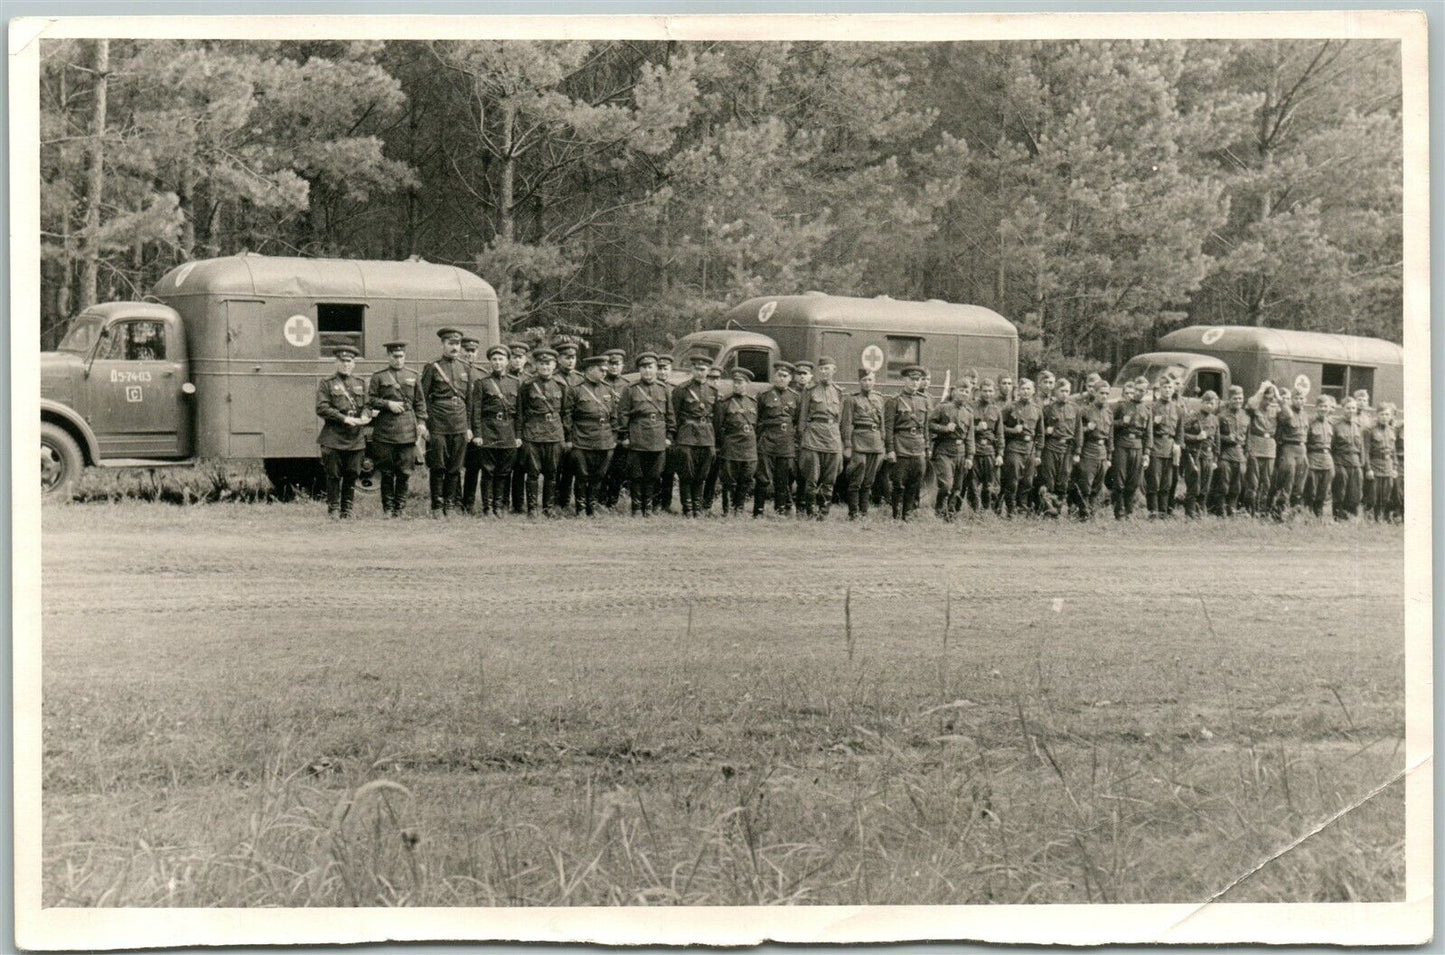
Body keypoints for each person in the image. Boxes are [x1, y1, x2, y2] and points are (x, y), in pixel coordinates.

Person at [366, 341, 427, 518]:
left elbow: (420, 402)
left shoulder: (413, 376)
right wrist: (388, 404)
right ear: (388, 357)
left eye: (401, 356)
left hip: (407, 429)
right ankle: (388, 509)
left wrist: (421, 422)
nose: (398, 359)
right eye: (394, 356)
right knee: (386, 472)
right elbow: (371, 400)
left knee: (404, 473)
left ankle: (400, 509)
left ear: (404, 356)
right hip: (385, 430)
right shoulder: (379, 377)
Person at [420, 327, 476, 516]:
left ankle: (450, 505)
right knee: (438, 466)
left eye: (457, 344)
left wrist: (468, 427)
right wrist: (425, 424)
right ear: (443, 344)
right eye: (450, 343)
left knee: (455, 467)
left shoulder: (465, 368)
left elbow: (469, 401)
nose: (454, 347)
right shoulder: (432, 367)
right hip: (438, 423)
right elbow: (423, 398)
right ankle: (437, 505)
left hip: (459, 424)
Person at [315, 345, 371, 519]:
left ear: (354, 364)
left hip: (355, 438)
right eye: (342, 361)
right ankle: (333, 509)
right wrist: (343, 418)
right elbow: (321, 407)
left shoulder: (361, 383)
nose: (346, 364)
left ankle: (347, 510)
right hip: (333, 436)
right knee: (333, 475)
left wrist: (365, 415)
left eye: (349, 361)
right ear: (336, 363)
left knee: (352, 474)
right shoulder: (327, 383)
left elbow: (368, 405)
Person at [617, 352, 674, 516]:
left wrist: (669, 436)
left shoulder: (664, 389)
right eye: (644, 367)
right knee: (637, 474)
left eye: (650, 367)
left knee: (654, 474)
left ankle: (648, 508)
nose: (647, 371)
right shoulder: (630, 389)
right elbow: (623, 414)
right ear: (639, 370)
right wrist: (625, 436)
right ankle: (636, 508)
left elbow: (670, 415)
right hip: (638, 435)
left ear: (656, 368)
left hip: (657, 436)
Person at [516, 347, 569, 517]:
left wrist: (565, 437)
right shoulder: (527, 385)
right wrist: (522, 434)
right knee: (532, 473)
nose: (545, 367)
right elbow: (521, 411)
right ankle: (532, 509)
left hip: (554, 434)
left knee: (552, 473)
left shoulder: (561, 385)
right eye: (541, 363)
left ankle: (548, 508)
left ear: (554, 365)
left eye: (548, 363)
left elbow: (565, 412)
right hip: (533, 433)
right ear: (536, 365)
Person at [469, 344, 521, 518]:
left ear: (507, 361)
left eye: (501, 359)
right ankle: (488, 507)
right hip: (489, 430)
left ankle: (499, 506)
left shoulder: (516, 383)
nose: (497, 363)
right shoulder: (482, 383)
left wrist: (518, 436)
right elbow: (476, 411)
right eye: (494, 359)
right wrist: (477, 434)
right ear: (490, 362)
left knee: (504, 472)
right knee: (488, 471)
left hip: (508, 432)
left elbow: (519, 413)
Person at [564, 355, 620, 517]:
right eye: (600, 370)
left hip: (605, 440)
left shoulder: (608, 389)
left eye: (605, 369)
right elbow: (567, 417)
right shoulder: (576, 390)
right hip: (583, 439)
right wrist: (570, 439)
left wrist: (614, 438)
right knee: (582, 475)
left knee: (598, 476)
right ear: (589, 370)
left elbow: (614, 416)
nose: (605, 372)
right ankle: (581, 508)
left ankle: (592, 507)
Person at [669, 356, 719, 517]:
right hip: (687, 435)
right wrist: (675, 438)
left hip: (706, 435)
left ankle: (698, 508)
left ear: (708, 371)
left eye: (703, 369)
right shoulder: (681, 390)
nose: (700, 372)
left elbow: (716, 418)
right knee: (686, 473)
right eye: (697, 369)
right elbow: (674, 415)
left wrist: (716, 440)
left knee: (701, 474)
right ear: (692, 369)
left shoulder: (713, 391)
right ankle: (688, 508)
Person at [796, 356, 844, 519]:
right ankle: (810, 511)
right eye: (821, 369)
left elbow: (840, 419)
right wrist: (802, 439)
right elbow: (802, 417)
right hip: (813, 437)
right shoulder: (809, 391)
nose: (824, 372)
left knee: (830, 478)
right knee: (812, 478)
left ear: (834, 370)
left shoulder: (838, 391)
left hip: (832, 437)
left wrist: (841, 441)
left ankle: (823, 513)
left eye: (827, 369)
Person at [884, 365, 930, 521]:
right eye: (912, 379)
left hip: (918, 446)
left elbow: (926, 428)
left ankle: (907, 515)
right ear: (904, 380)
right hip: (901, 445)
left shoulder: (924, 401)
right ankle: (896, 515)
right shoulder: (894, 401)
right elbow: (888, 428)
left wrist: (927, 447)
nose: (915, 382)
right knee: (898, 482)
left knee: (914, 482)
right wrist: (890, 449)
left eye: (918, 380)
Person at [753, 361, 800, 517]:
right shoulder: (764, 395)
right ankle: (758, 511)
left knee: (782, 479)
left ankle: (780, 511)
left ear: (790, 378)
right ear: (774, 376)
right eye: (779, 375)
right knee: (762, 477)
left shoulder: (795, 397)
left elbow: (797, 421)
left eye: (785, 376)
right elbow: (757, 419)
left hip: (785, 442)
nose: (781, 378)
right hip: (767, 440)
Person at [840, 367, 886, 520]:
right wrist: (847, 444)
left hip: (875, 442)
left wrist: (883, 440)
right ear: (859, 382)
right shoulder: (851, 399)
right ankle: (853, 513)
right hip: (859, 441)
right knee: (856, 478)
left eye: (870, 380)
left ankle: (864, 513)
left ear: (875, 381)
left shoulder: (879, 398)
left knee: (869, 480)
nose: (868, 383)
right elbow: (846, 423)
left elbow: (882, 422)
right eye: (864, 380)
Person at [714, 367, 759, 517]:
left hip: (749, 448)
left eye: (740, 383)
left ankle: (739, 509)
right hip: (731, 446)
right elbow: (718, 426)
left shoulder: (753, 402)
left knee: (746, 479)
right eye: (735, 382)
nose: (736, 385)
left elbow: (757, 425)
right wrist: (721, 446)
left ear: (747, 384)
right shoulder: (725, 402)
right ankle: (727, 509)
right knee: (729, 480)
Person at [929, 379, 974, 520]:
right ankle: (940, 510)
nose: (964, 394)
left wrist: (970, 457)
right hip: (944, 450)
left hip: (961, 452)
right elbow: (929, 424)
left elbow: (970, 437)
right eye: (961, 390)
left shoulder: (968, 413)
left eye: (967, 391)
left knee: (957, 487)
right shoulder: (943, 408)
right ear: (954, 391)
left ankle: (951, 514)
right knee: (946, 485)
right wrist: (944, 428)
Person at [999, 377, 1042, 517]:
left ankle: (1022, 509)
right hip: (1014, 447)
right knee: (1012, 480)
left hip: (1029, 448)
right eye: (1023, 389)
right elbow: (999, 428)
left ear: (1033, 391)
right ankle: (1010, 510)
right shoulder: (1010, 407)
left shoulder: (1037, 409)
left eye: (1028, 389)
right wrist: (1013, 430)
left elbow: (1040, 434)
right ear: (1018, 391)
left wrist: (1038, 454)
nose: (1025, 391)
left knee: (1028, 481)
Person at [1071, 378, 1113, 521]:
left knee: (1097, 485)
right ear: (1094, 393)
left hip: (1102, 451)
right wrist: (1087, 429)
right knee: (1085, 484)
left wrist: (1109, 457)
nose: (1104, 396)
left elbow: (1110, 436)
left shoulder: (1109, 412)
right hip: (1088, 449)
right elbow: (1076, 431)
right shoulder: (1085, 411)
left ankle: (1092, 511)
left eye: (1107, 393)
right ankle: (1083, 512)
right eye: (1101, 393)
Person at [553, 342, 586, 512]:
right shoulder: (553, 377)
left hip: (575, 430)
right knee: (555, 468)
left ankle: (565, 501)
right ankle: (553, 501)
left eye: (573, 358)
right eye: (567, 358)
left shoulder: (580, 379)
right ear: (559, 359)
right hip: (555, 427)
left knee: (570, 468)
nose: (570, 361)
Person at [1111, 377, 1150, 519]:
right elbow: (1110, 424)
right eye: (1137, 390)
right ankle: (1119, 512)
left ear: (1146, 392)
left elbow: (1148, 433)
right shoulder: (1122, 406)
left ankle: (1129, 511)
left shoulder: (1147, 409)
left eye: (1143, 390)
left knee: (1133, 481)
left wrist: (1147, 453)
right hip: (1122, 444)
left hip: (1138, 446)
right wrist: (1121, 422)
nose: (1139, 393)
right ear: (1133, 390)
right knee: (1120, 480)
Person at [1144, 375, 1182, 518]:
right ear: (1160, 389)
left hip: (1171, 448)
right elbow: (1147, 430)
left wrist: (1178, 445)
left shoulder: (1178, 410)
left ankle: (1163, 511)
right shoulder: (1152, 408)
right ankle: (1153, 511)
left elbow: (1180, 431)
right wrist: (1154, 422)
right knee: (1154, 480)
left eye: (1170, 387)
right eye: (1164, 387)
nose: (1167, 390)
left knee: (1167, 482)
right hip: (1156, 446)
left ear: (1174, 390)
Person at [1269, 384, 1309, 520]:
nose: (1300, 401)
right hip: (1288, 448)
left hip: (1301, 449)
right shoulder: (1286, 412)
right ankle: (1279, 513)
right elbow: (1286, 415)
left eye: (1302, 398)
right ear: (1291, 399)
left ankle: (1294, 513)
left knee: (1299, 482)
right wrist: (1282, 401)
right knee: (1288, 479)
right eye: (1296, 398)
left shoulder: (1305, 415)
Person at [1209, 386, 1249, 517]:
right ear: (1229, 399)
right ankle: (1220, 511)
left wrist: (1246, 451)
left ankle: (1232, 510)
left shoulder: (1245, 416)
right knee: (1223, 485)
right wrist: (1227, 438)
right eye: (1235, 398)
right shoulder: (1221, 416)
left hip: (1240, 455)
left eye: (1240, 398)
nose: (1238, 401)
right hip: (1225, 454)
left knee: (1236, 486)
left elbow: (1248, 437)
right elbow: (1214, 435)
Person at [1179, 390, 1220, 519]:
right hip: (1195, 454)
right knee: (1194, 485)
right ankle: (1190, 513)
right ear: (1202, 403)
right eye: (1207, 402)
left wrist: (1215, 459)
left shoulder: (1214, 419)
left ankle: (1201, 511)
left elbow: (1217, 440)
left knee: (1205, 486)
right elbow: (1182, 435)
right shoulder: (1192, 417)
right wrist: (1196, 437)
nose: (1209, 406)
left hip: (1208, 455)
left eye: (1212, 403)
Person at [1243, 381, 1280, 516]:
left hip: (1269, 448)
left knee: (1266, 482)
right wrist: (1261, 390)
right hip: (1256, 446)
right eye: (1267, 398)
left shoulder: (1275, 409)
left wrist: (1279, 397)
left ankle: (1262, 511)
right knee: (1253, 482)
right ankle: (1250, 511)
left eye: (1272, 398)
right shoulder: (1255, 408)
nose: (1269, 401)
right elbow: (1250, 405)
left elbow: (1288, 416)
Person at [458, 337, 487, 514]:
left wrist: (476, 430)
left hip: (475, 427)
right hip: (457, 424)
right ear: (461, 351)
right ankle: (453, 500)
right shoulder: (455, 369)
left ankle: (468, 503)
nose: (469, 354)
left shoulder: (481, 374)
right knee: (453, 465)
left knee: (473, 466)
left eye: (473, 351)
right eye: (466, 350)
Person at [600, 348, 630, 508]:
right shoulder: (601, 383)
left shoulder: (627, 385)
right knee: (602, 467)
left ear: (622, 365)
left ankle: (613, 500)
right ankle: (600, 499)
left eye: (617, 364)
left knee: (619, 469)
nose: (613, 367)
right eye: (610, 364)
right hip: (604, 432)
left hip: (621, 432)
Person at [969, 377, 1004, 513]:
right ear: (979, 391)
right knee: (972, 483)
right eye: (985, 391)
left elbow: (1000, 434)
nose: (987, 394)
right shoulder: (971, 407)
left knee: (990, 485)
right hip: (975, 449)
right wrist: (977, 428)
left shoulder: (996, 410)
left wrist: (1000, 454)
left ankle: (987, 511)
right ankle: (974, 511)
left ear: (994, 392)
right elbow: (965, 429)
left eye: (990, 391)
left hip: (990, 450)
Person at [1330, 397, 1365, 520]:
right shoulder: (1336, 426)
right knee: (1340, 491)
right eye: (1348, 408)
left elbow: (1362, 448)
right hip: (1340, 461)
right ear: (1342, 408)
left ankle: (1351, 518)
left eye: (1353, 408)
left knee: (1355, 492)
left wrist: (1362, 464)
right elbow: (1331, 446)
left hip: (1355, 463)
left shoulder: (1358, 427)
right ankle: (1338, 517)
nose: (1351, 410)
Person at [1363, 402, 1398, 522]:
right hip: (1375, 464)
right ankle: (1367, 517)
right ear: (1377, 415)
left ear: (1391, 416)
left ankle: (1379, 518)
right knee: (1372, 496)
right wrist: (1368, 468)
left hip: (1388, 466)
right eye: (1382, 414)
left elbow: (1394, 452)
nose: (1384, 417)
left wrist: (1395, 468)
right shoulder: (1370, 431)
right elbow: (1366, 451)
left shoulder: (1392, 430)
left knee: (1385, 495)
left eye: (1387, 414)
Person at [1304, 395, 1336, 519]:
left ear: (1329, 408)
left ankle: (1319, 515)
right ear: (1316, 407)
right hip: (1313, 457)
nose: (1323, 409)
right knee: (1311, 489)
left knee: (1323, 490)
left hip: (1326, 459)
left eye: (1326, 406)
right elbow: (1305, 441)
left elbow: (1332, 444)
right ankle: (1308, 514)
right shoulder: (1310, 422)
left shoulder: (1330, 424)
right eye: (1321, 406)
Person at [655, 354, 679, 513]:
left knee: (669, 471)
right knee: (655, 469)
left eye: (666, 369)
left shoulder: (675, 390)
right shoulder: (651, 387)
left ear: (670, 370)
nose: (662, 372)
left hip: (671, 435)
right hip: (654, 434)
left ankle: (666, 503)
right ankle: (654, 503)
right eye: (660, 368)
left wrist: (672, 435)